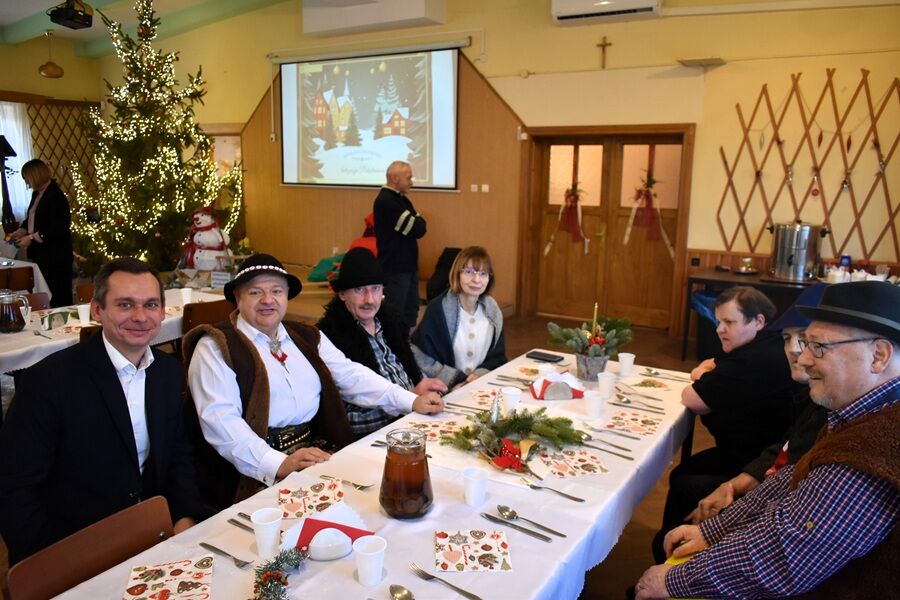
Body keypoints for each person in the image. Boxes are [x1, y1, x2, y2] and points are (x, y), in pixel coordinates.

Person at [636, 280, 900, 599]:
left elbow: (782, 557)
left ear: (879, 356)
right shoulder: (861, 413)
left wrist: (673, 581)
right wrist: (711, 530)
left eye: (818, 346)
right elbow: (793, 474)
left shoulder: (873, 450)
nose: (801, 360)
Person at [184, 253, 444, 511]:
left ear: (287, 296)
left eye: (276, 291)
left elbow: (350, 375)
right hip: (250, 475)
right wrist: (277, 463)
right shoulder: (215, 347)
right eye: (254, 292)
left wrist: (410, 400)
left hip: (317, 456)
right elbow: (221, 421)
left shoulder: (306, 336)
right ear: (237, 298)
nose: (267, 300)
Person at [0, 257, 201, 565]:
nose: (140, 316)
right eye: (124, 305)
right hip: (72, 547)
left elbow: (178, 454)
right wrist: (50, 563)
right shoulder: (49, 381)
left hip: (150, 537)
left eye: (150, 305)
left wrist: (184, 517)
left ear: (163, 311)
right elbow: (15, 486)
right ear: (97, 310)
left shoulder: (168, 373)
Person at [652, 285, 800, 562]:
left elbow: (693, 398)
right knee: (685, 472)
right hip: (755, 447)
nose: (719, 329)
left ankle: (672, 556)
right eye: (719, 321)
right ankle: (670, 551)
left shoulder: (754, 360)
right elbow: (712, 362)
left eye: (729, 322)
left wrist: (702, 374)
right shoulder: (760, 344)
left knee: (686, 481)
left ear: (758, 322)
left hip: (758, 457)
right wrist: (707, 369)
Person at [685, 283, 829, 525]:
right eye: (787, 338)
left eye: (807, 340)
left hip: (754, 466)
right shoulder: (810, 394)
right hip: (761, 464)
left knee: (686, 481)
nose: (795, 351)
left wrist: (714, 528)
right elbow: (785, 446)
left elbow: (694, 399)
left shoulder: (836, 411)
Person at [317, 247, 448, 438]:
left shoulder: (392, 324)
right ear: (342, 294)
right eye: (359, 289)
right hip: (377, 441)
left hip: (417, 423)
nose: (369, 299)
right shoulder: (330, 340)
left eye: (375, 289)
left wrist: (427, 389)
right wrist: (408, 403)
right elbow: (342, 419)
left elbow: (416, 378)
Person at [411, 246, 507, 389]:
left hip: (482, 387)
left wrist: (479, 375)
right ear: (457, 274)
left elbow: (497, 356)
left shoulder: (492, 310)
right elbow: (419, 354)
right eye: (469, 272)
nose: (476, 279)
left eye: (483, 273)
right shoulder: (438, 309)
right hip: (444, 390)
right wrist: (455, 379)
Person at [9, 158, 73, 307]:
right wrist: (21, 230)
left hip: (56, 254)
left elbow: (58, 227)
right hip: (42, 253)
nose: (26, 182)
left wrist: (31, 237)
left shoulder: (56, 196)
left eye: (26, 178)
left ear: (34, 176)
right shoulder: (36, 194)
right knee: (47, 292)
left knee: (58, 293)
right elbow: (32, 218)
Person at [373, 160, 426, 331]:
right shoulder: (386, 201)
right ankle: (395, 346)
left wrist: (418, 221)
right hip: (395, 267)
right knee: (395, 310)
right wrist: (417, 220)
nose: (412, 182)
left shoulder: (401, 200)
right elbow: (418, 227)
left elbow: (421, 226)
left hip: (407, 265)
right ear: (395, 179)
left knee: (411, 309)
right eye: (408, 178)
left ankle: (407, 343)